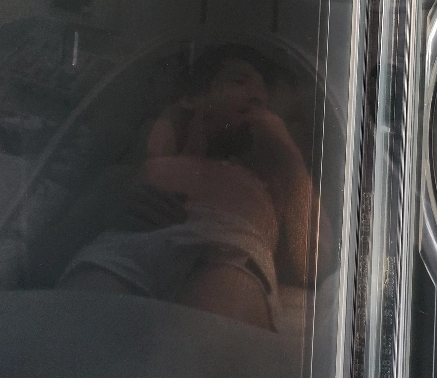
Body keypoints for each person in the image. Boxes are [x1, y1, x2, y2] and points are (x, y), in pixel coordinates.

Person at [57, 45, 316, 332]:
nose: (258, 97)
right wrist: (108, 206)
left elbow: (312, 265)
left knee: (204, 343)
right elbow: (49, 247)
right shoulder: (139, 166)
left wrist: (289, 157)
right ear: (192, 98)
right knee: (76, 336)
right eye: (240, 82)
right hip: (124, 243)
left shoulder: (272, 181)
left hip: (227, 251)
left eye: (266, 98)